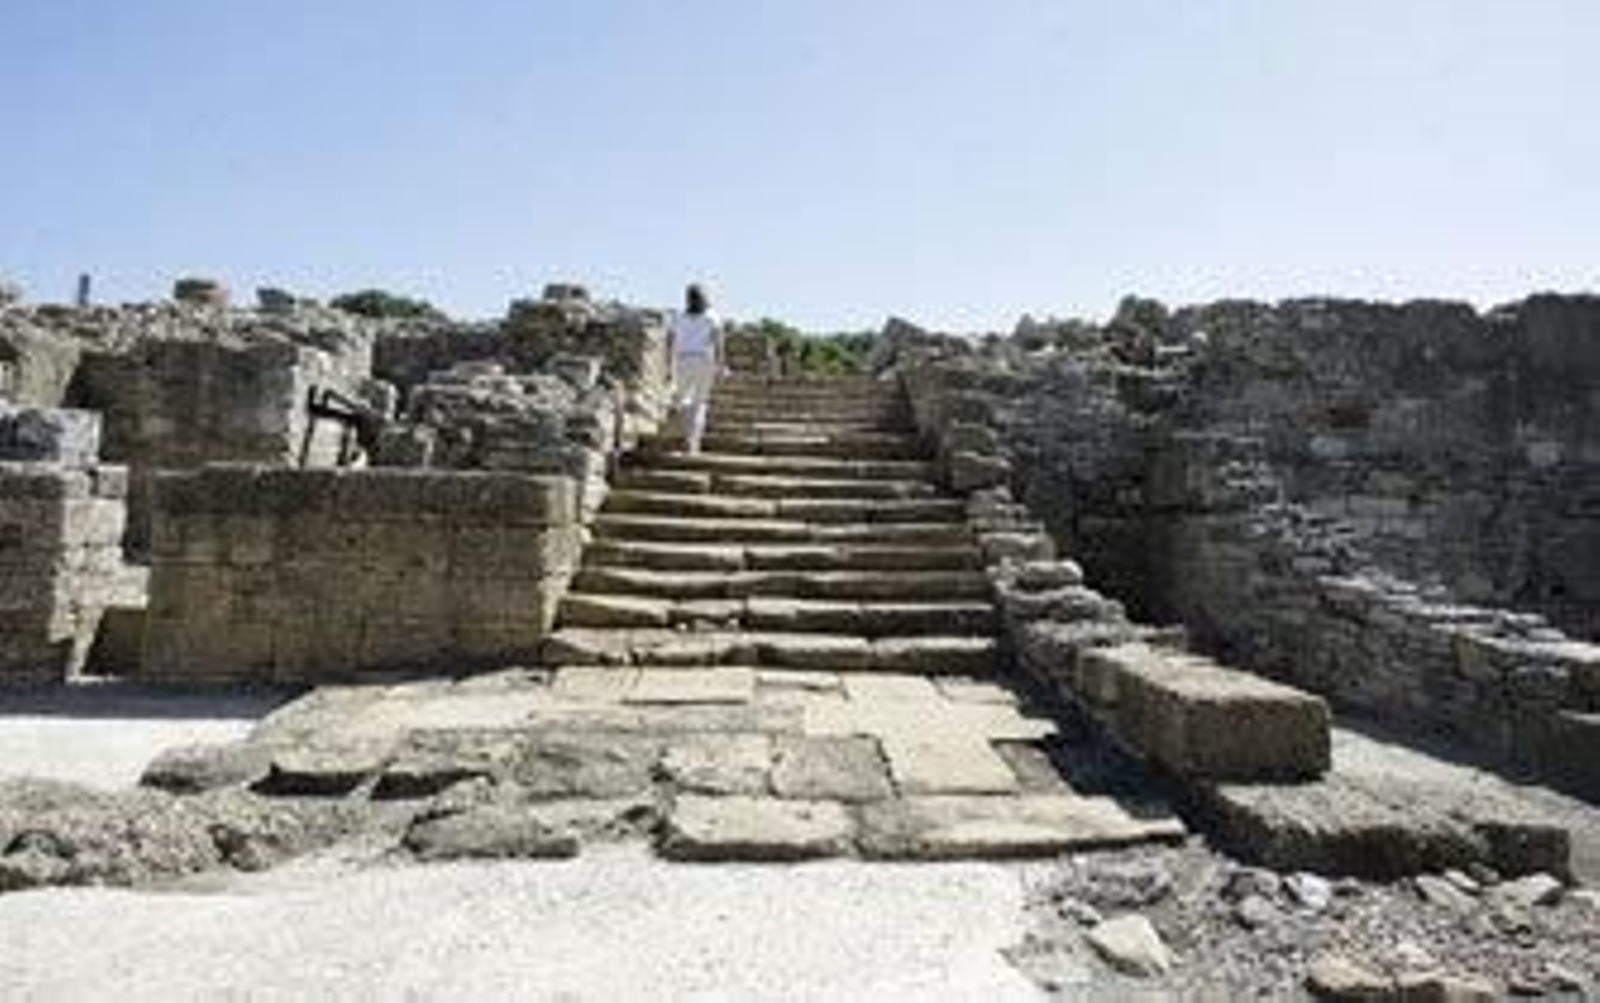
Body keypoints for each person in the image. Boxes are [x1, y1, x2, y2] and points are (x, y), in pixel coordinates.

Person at [667, 283, 723, 454]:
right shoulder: (712, 317)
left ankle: (688, 435)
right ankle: (693, 441)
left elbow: (670, 342)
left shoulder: (678, 317)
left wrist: (668, 364)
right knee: (699, 403)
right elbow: (718, 342)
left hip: (682, 359)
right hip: (704, 361)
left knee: (683, 400)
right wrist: (720, 364)